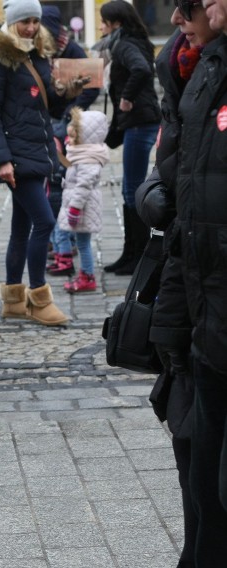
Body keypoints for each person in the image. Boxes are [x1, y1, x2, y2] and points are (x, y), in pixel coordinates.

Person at [137, 0, 227, 563]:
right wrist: (155, 194)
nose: (178, 16)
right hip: (198, 307)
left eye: (191, 4)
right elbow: (177, 171)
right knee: (196, 463)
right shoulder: (201, 66)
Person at [0, 0, 81, 326]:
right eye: (25, 21)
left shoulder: (35, 55)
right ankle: (38, 298)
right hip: (16, 156)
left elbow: (43, 108)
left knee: (22, 228)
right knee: (45, 221)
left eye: (36, 21)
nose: (32, 27)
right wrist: (3, 159)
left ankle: (12, 300)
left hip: (35, 151)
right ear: (11, 22)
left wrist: (66, 91)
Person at [99, 0, 161, 275]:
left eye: (104, 21)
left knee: (132, 189)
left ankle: (140, 255)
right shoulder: (134, 40)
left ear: (116, 23)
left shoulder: (124, 45)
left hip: (139, 122)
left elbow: (142, 70)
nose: (101, 27)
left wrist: (126, 97)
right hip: (140, 122)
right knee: (129, 189)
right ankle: (130, 253)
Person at [41, 4, 100, 275]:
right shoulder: (41, 51)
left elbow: (92, 85)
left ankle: (68, 237)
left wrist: (70, 113)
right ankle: (60, 238)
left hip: (67, 120)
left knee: (65, 176)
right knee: (53, 178)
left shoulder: (73, 50)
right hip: (47, 117)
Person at [53, 108, 110, 294]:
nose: (69, 133)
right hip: (79, 206)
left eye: (74, 130)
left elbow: (83, 186)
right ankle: (85, 275)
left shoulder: (88, 158)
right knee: (82, 242)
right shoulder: (81, 152)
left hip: (82, 208)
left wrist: (74, 209)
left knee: (84, 244)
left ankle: (87, 277)